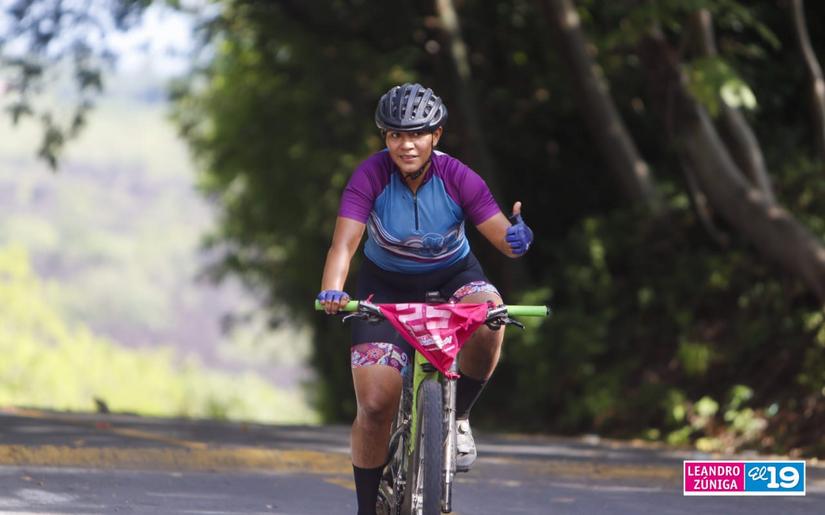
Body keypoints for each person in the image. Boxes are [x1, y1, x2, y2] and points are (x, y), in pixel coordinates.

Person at [317, 83, 533, 515]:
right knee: (376, 404)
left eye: (416, 134)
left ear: (436, 136)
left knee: (493, 315)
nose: (406, 144)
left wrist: (517, 238)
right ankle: (366, 508)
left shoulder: (458, 177)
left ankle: (459, 417)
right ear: (385, 138)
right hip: (385, 286)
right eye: (395, 135)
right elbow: (344, 245)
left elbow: (501, 239)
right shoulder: (370, 176)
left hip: (455, 277)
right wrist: (334, 289)